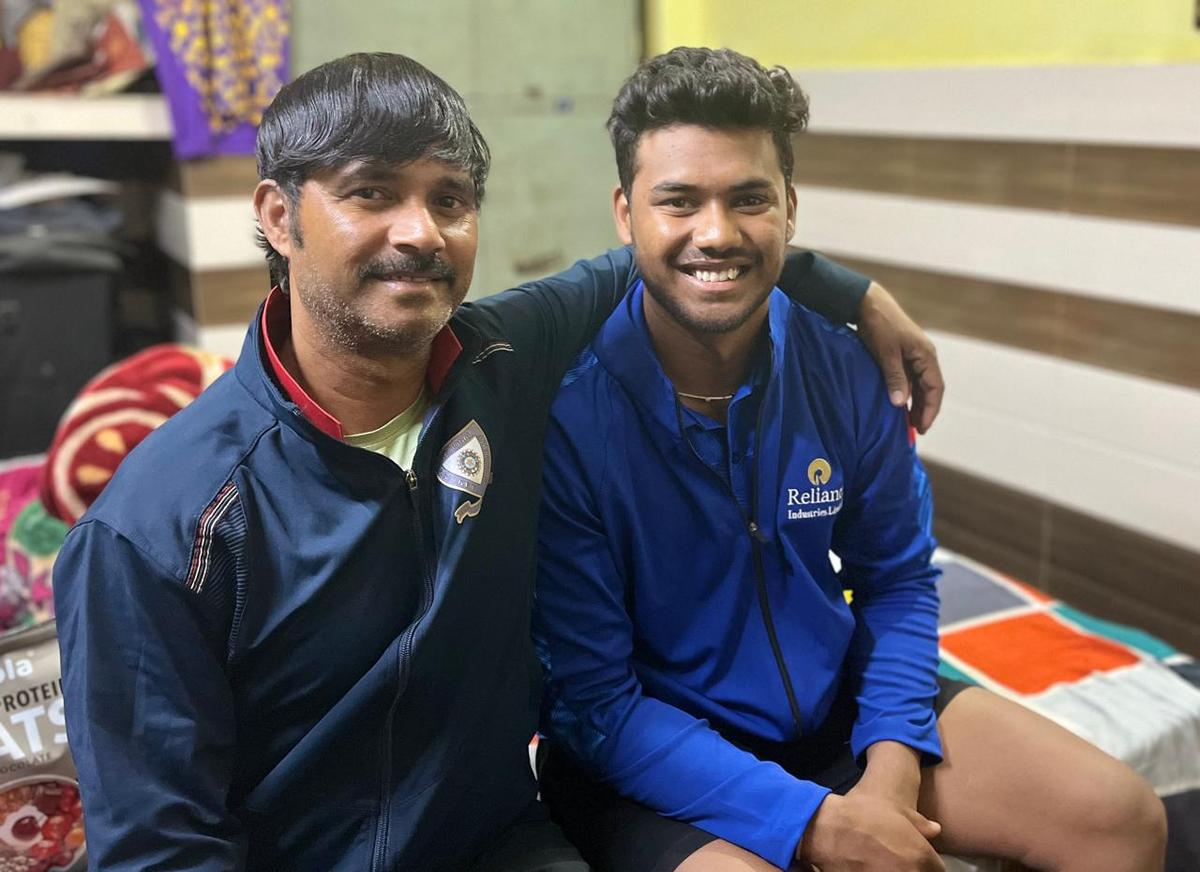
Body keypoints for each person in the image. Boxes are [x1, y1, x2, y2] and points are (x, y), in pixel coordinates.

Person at [52, 53, 939, 872]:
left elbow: (690, 252)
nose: (421, 232)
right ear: (279, 217)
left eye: (449, 199)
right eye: (370, 193)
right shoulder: (161, 529)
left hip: (501, 842)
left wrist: (856, 296)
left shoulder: (502, 363)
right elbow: (159, 850)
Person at [533, 47, 1167, 872]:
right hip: (650, 754)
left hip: (835, 709)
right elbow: (595, 702)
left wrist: (890, 775)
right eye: (679, 201)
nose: (716, 233)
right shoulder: (565, 410)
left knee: (1120, 818)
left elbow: (897, 579)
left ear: (790, 209)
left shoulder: (845, 364)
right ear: (626, 216)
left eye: (749, 198)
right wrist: (816, 824)